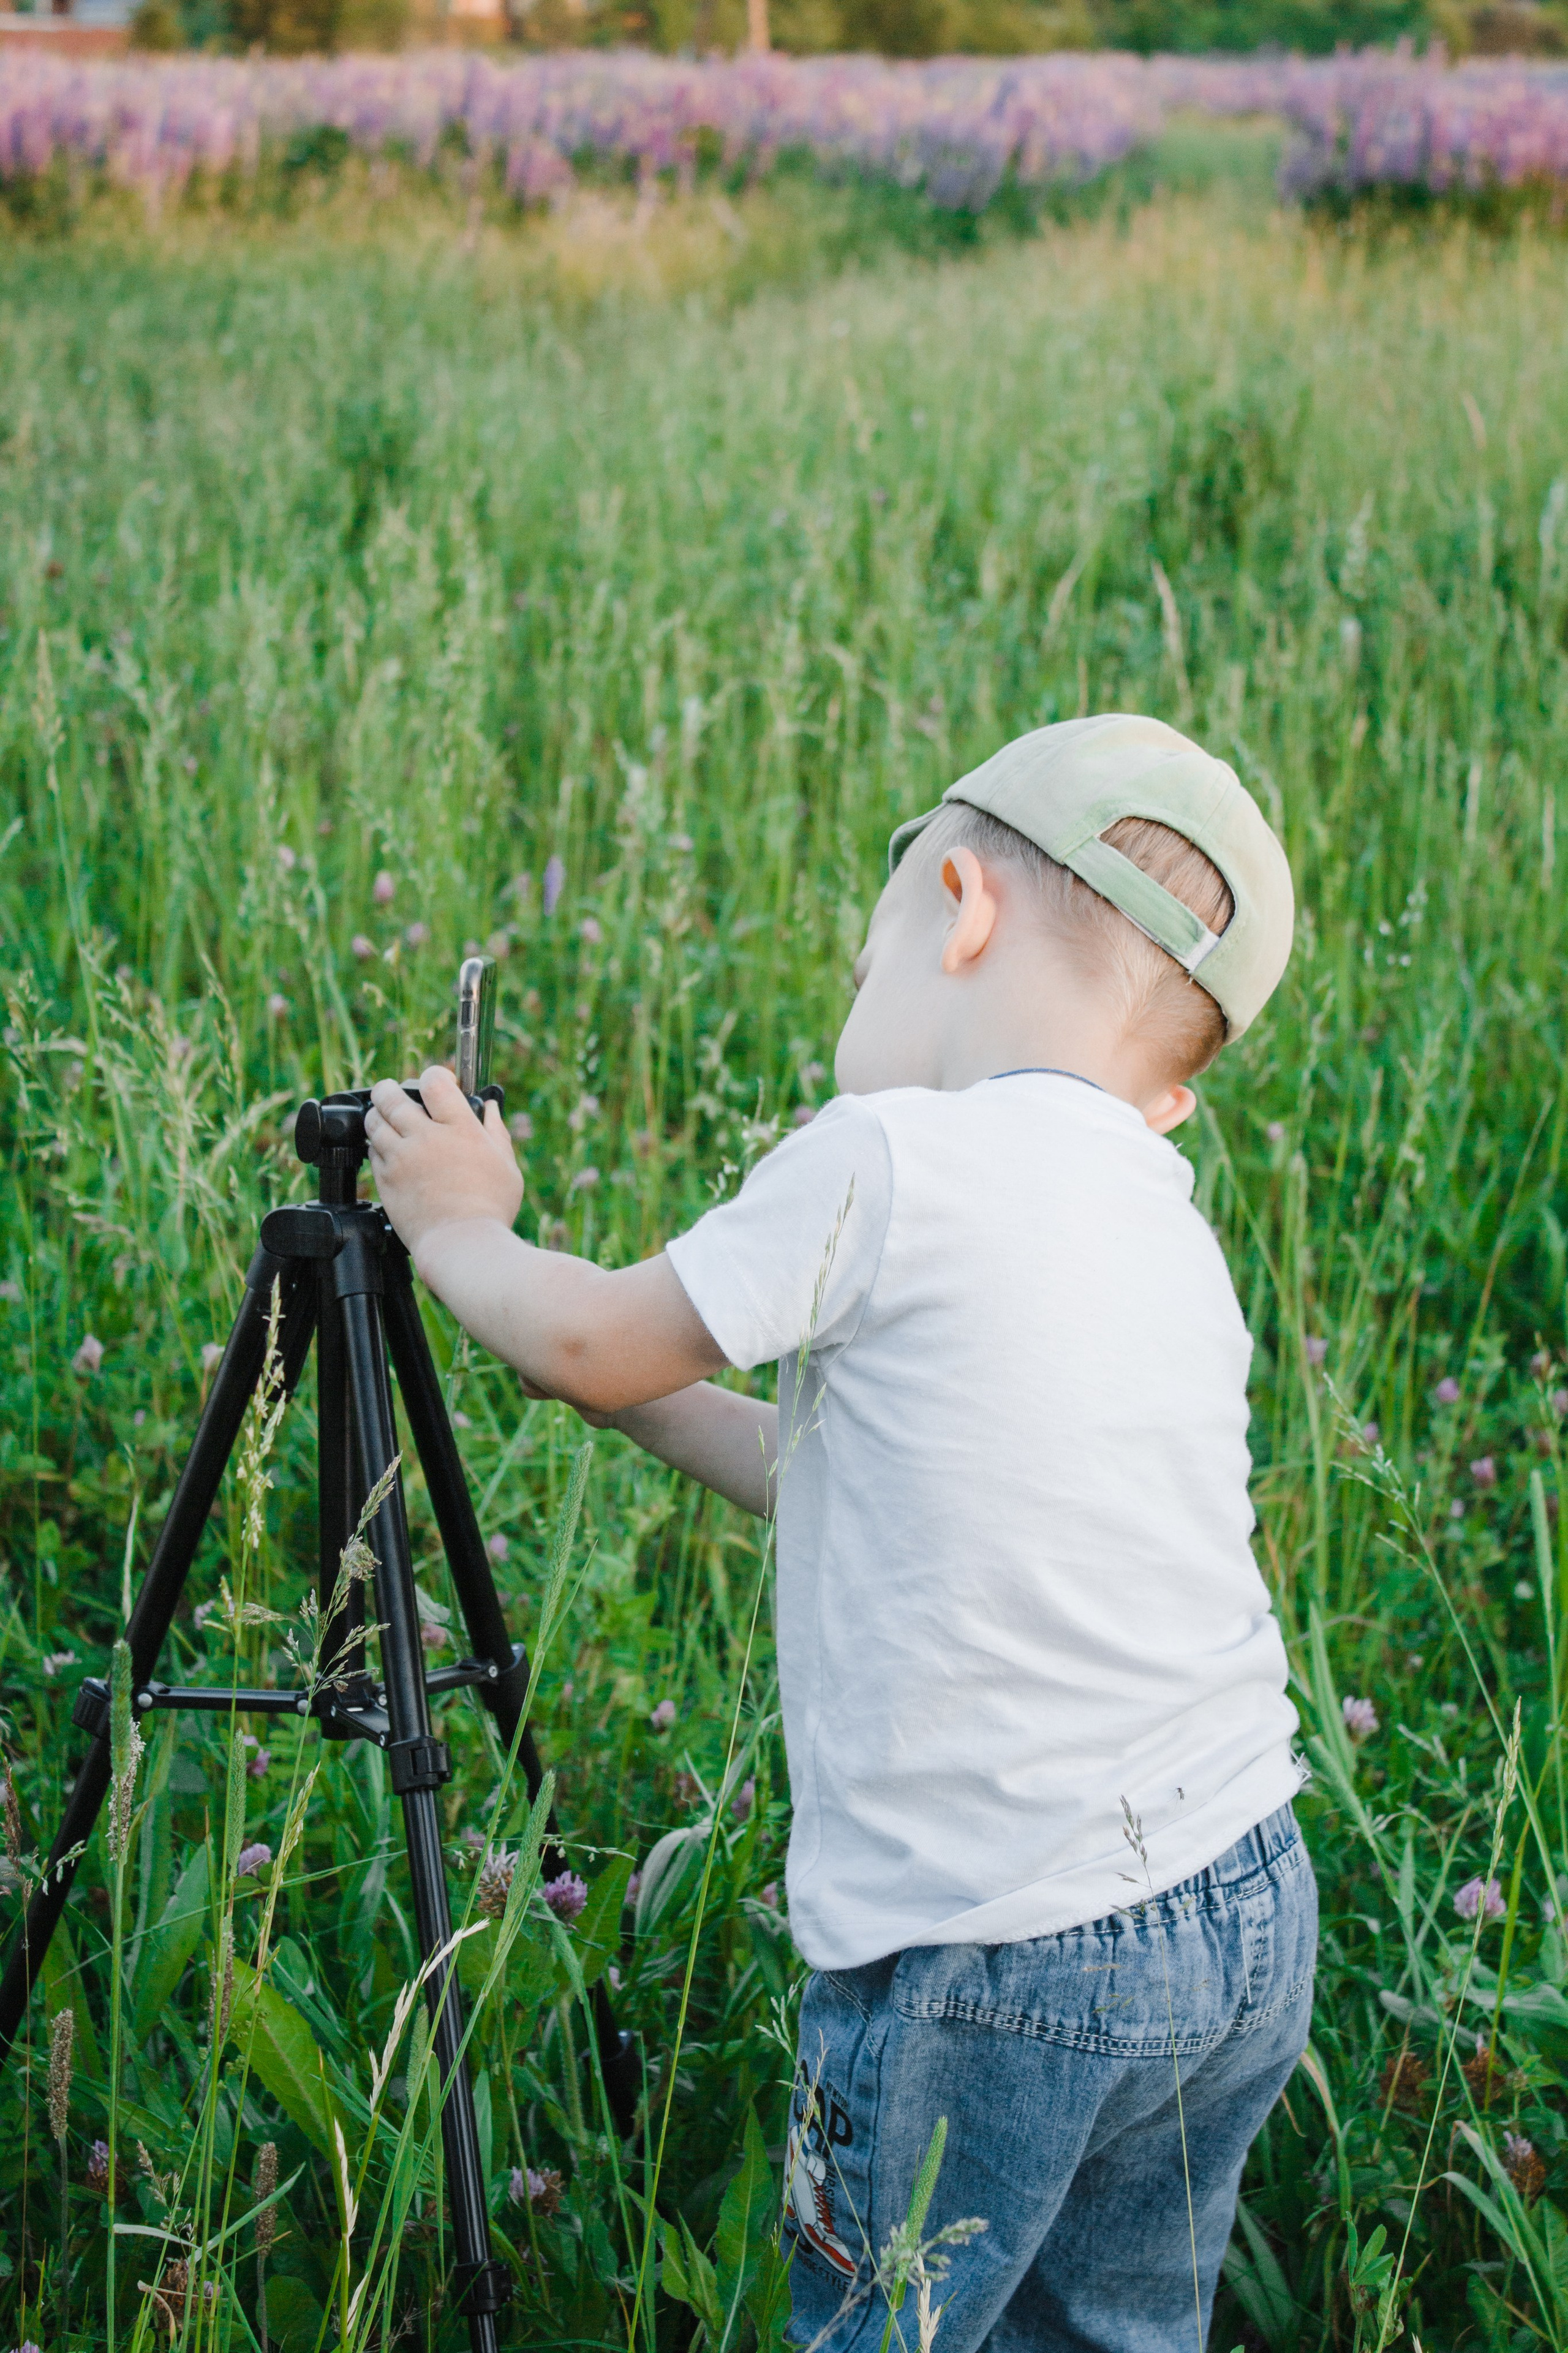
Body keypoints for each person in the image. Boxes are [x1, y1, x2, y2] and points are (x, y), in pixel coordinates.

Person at [364, 712, 1316, 2353]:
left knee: (893, 2327)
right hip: (1242, 1900)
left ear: (959, 905)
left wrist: (462, 1226)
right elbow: (867, 1475)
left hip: (994, 1953)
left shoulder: (892, 1153)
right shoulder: (1165, 1229)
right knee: (1115, 2327)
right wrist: (626, 1393)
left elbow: (594, 1331)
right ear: (1168, 1092)